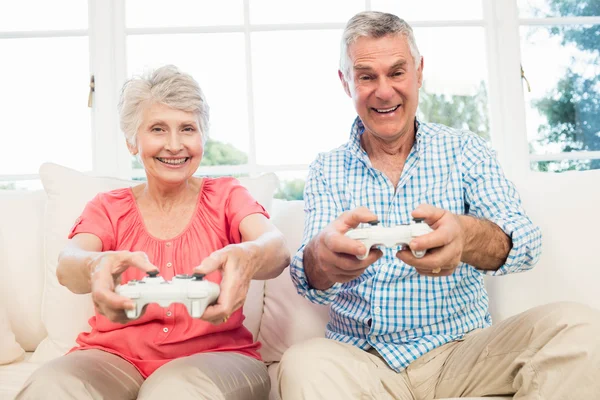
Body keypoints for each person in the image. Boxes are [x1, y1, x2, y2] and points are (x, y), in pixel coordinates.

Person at [278, 11, 600, 400]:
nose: (383, 91)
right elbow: (307, 278)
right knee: (302, 363)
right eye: (366, 76)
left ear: (419, 71)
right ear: (346, 83)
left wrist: (464, 236)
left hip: (463, 354)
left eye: (397, 72)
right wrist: (322, 257)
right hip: (363, 362)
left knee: (580, 330)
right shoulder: (327, 168)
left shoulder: (465, 150)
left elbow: (525, 243)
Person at [17, 65, 290, 400]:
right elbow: (69, 262)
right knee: (51, 385)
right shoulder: (107, 207)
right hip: (112, 357)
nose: (174, 145)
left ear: (202, 137)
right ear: (133, 142)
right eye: (158, 129)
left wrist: (249, 255)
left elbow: (275, 247)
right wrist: (93, 265)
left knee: (176, 390)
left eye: (187, 129)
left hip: (217, 357)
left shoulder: (227, 195)